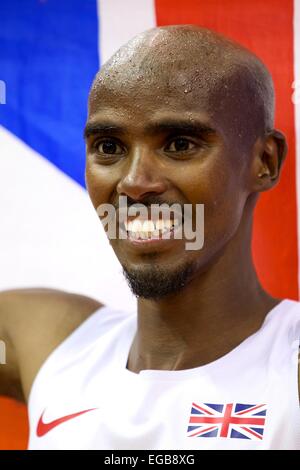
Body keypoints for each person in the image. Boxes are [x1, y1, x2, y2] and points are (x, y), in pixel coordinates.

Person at [0, 24, 299, 450]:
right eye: (108, 147)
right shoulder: (49, 342)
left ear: (264, 161)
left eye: (179, 144)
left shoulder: (290, 366)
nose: (135, 182)